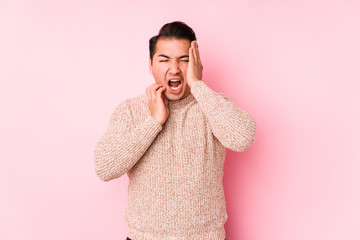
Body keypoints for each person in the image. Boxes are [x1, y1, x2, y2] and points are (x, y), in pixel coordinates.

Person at [94, 21, 256, 240]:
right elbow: (105, 167)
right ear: (150, 65)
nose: (174, 68)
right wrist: (153, 122)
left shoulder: (213, 106)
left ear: (197, 65)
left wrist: (198, 85)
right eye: (164, 60)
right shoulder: (130, 110)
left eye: (184, 59)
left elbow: (242, 138)